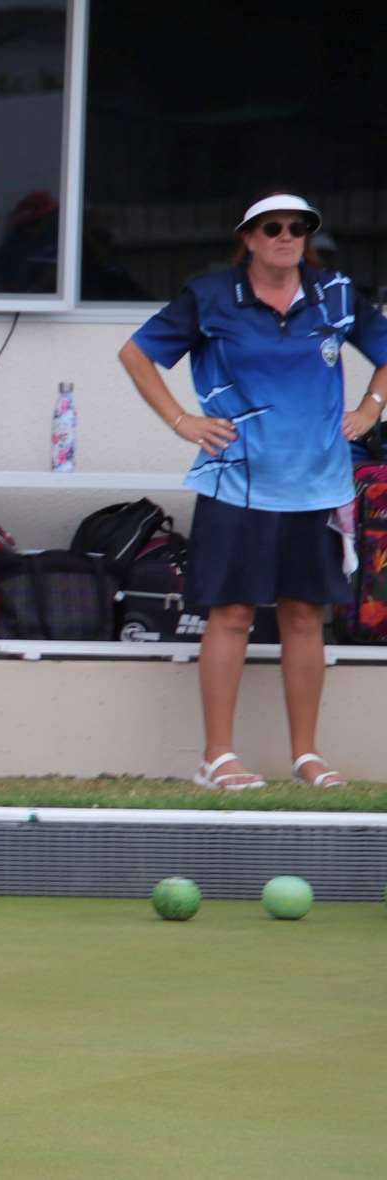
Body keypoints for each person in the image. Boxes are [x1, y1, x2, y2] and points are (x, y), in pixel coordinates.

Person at [118, 193, 387, 791]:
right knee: (232, 613)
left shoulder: (335, 293)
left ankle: (307, 756)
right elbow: (135, 354)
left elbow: (385, 350)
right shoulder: (211, 296)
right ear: (249, 237)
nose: (286, 236)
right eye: (273, 228)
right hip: (235, 483)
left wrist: (370, 407)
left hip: (317, 484)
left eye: (298, 227)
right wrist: (181, 420)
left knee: (303, 615)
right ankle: (216, 757)